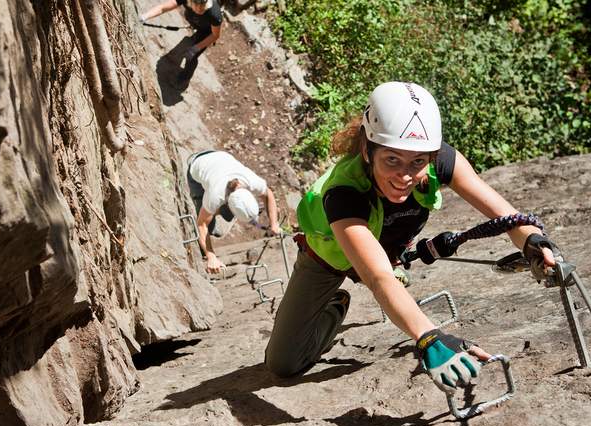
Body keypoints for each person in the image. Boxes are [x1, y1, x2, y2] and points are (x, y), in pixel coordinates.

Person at [264, 82, 559, 393]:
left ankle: (332, 303)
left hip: (384, 253)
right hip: (327, 258)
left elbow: (504, 215)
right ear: (368, 150)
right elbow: (378, 278)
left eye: (417, 162)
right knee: (283, 364)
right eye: (392, 160)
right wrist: (429, 336)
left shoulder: (437, 159)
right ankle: (334, 305)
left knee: (285, 363)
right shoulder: (343, 194)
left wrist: (533, 242)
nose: (405, 176)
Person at [187, 150, 281, 274]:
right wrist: (211, 256)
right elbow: (201, 224)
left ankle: (219, 215)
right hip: (197, 166)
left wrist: (274, 224)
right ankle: (204, 247)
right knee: (212, 228)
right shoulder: (215, 196)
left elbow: (268, 194)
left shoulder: (252, 181)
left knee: (219, 222)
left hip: (219, 158)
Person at [140, 0, 222, 81]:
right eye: (196, 7)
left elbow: (215, 35)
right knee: (188, 46)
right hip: (195, 22)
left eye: (203, 8)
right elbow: (163, 8)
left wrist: (196, 48)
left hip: (207, 32)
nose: (200, 10)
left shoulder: (214, 14)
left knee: (191, 57)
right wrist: (145, 16)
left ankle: (184, 78)